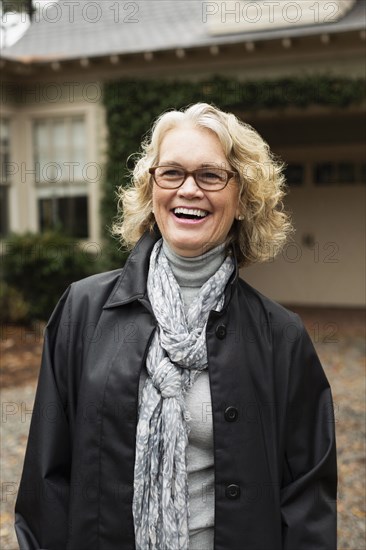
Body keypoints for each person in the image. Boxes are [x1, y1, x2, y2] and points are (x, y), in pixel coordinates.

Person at [15, 103, 337, 549]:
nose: (189, 189)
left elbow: (307, 502)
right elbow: (46, 483)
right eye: (171, 173)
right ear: (151, 190)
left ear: (242, 199)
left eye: (210, 175)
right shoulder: (83, 311)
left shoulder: (280, 337)